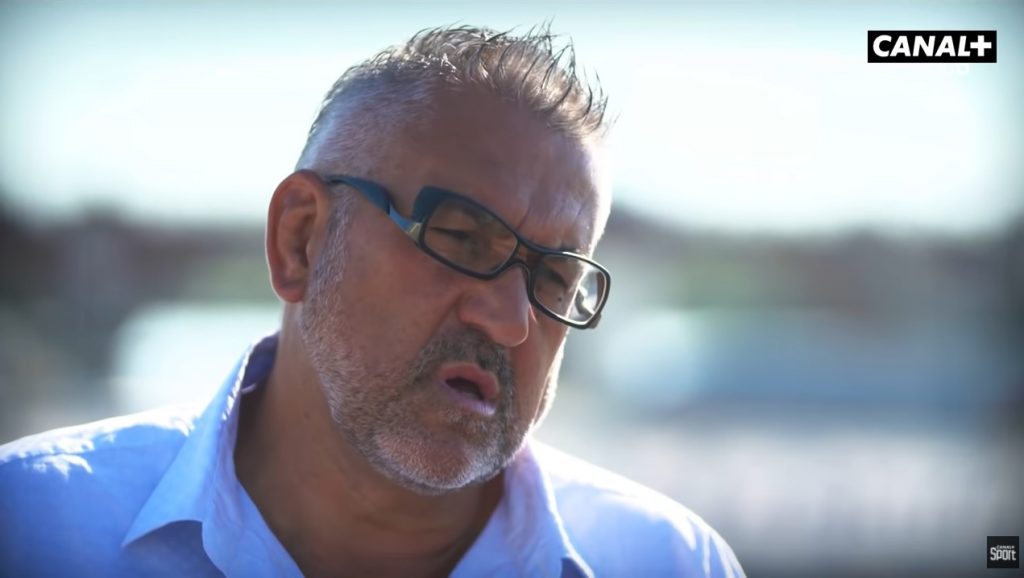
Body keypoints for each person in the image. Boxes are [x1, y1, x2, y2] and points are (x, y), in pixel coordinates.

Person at [0, 25, 744, 578]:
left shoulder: (668, 562)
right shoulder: (34, 522)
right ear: (300, 241)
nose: (512, 321)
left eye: (555, 280)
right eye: (462, 237)